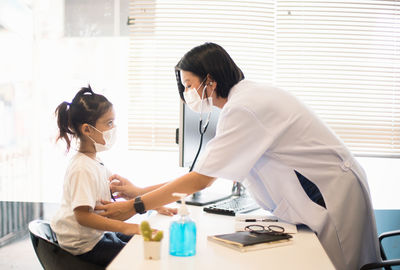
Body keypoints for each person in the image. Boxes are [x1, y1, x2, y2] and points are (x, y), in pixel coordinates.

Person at [96, 43, 381, 269]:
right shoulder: (243, 101)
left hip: (330, 193)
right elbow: (204, 174)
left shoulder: (243, 108)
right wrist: (139, 193)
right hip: (324, 189)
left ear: (210, 80)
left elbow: (200, 180)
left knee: (335, 265)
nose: (186, 93)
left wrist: (136, 205)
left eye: (188, 83)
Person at [51, 86, 176, 267]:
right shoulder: (82, 168)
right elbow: (82, 216)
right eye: (109, 123)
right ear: (87, 130)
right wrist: (128, 227)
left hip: (95, 235)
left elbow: (125, 192)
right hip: (84, 245)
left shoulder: (95, 161)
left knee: (147, 242)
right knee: (144, 255)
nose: (114, 128)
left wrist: (155, 205)